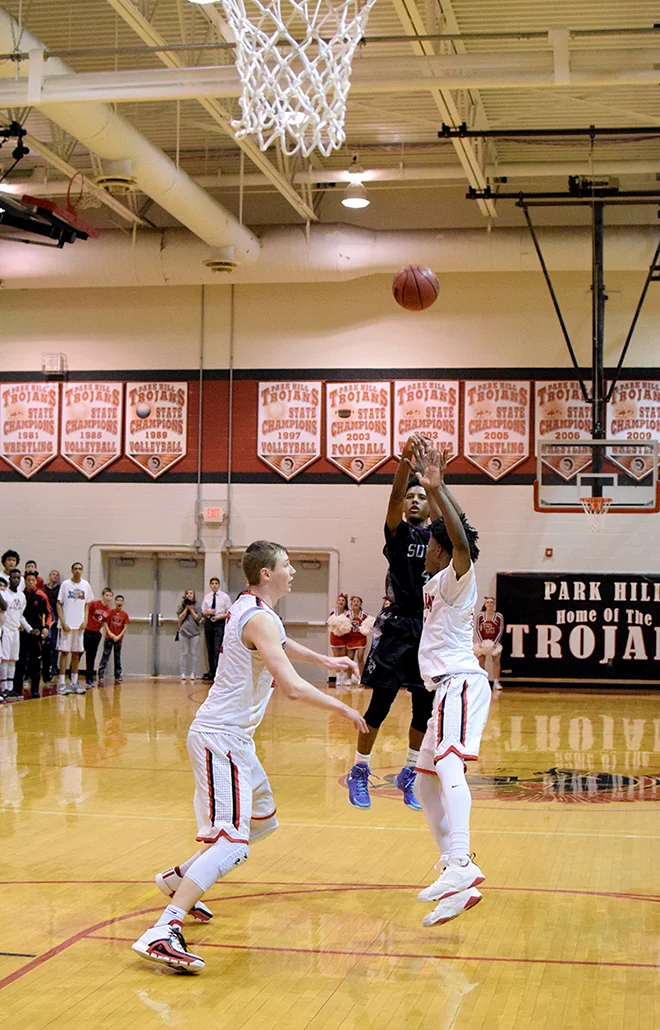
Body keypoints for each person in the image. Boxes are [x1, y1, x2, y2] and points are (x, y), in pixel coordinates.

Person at [131, 539, 367, 972]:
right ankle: (164, 928)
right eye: (286, 565)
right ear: (266, 574)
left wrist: (327, 661)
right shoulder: (257, 617)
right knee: (233, 845)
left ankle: (177, 879)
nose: (292, 571)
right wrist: (344, 708)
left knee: (262, 821)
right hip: (221, 738)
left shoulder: (252, 609)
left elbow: (281, 644)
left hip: (235, 739)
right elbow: (291, 687)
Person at [412, 443, 490, 928]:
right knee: (425, 783)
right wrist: (441, 493)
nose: (425, 549)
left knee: (449, 767)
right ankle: (457, 879)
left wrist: (438, 491)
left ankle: (461, 862)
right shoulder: (434, 582)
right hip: (443, 689)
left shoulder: (457, 576)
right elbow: (459, 530)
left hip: (460, 682)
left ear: (441, 550)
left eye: (430, 544)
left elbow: (461, 541)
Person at [345, 435, 433, 811]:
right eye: (410, 496)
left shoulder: (441, 537)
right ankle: (359, 769)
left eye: (420, 497)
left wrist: (435, 480)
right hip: (398, 624)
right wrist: (404, 464)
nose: (413, 501)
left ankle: (409, 772)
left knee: (424, 710)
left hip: (429, 628)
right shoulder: (400, 533)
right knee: (380, 704)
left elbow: (449, 515)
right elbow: (394, 499)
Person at [56, 562, 93, 696]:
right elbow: (59, 603)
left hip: (79, 625)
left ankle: (74, 683)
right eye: (75, 569)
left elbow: (87, 605)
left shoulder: (86, 585)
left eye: (80, 569)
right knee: (64, 653)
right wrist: (62, 621)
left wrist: (86, 620)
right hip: (67, 625)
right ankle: (61, 683)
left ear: (82, 571)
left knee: (76, 653)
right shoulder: (66, 585)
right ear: (72, 571)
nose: (77, 571)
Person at [16, 572, 52, 698]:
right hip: (22, 632)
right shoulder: (20, 595)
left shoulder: (41, 596)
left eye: (33, 580)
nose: (30, 582)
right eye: (28, 580)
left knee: (35, 662)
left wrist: (46, 628)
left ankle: (35, 688)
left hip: (36, 633)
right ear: (25, 582)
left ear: (36, 582)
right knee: (20, 661)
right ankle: (17, 689)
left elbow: (49, 614)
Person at [0, 569, 34, 701]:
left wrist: (29, 629)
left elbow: (20, 616)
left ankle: (10, 688)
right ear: (9, 579)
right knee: (5, 659)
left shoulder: (21, 596)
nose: (16, 580)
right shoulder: (4, 594)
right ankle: (4, 689)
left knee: (13, 659)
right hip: (5, 629)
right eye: (13, 577)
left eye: (18, 578)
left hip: (15, 631)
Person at [201, 577, 231, 681]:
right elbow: (203, 612)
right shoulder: (207, 597)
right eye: (212, 583)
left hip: (219, 623)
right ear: (210, 585)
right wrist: (209, 613)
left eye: (216, 583)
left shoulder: (224, 597)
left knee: (217, 648)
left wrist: (218, 617)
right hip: (209, 622)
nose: (214, 585)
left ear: (219, 585)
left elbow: (229, 612)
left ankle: (218, 672)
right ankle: (211, 671)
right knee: (210, 648)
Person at [84, 588, 113, 686]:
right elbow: (86, 610)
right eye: (107, 595)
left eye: (110, 596)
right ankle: (72, 675)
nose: (108, 597)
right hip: (87, 631)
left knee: (91, 656)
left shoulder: (109, 610)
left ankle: (89, 679)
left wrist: (107, 631)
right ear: (103, 595)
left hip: (96, 634)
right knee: (79, 653)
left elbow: (104, 622)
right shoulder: (94, 604)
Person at [98, 595, 129, 685]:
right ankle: (101, 675)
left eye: (121, 601)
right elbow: (105, 622)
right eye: (118, 600)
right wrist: (110, 633)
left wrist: (118, 636)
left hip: (118, 639)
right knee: (105, 656)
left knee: (117, 657)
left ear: (123, 603)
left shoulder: (125, 614)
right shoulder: (110, 612)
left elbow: (125, 627)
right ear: (115, 602)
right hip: (109, 638)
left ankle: (117, 675)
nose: (119, 602)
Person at [475, 596, 504, 691]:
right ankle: (482, 682)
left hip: (495, 642)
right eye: (488, 602)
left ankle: (496, 682)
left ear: (494, 604)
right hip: (482, 642)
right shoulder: (480, 616)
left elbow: (501, 630)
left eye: (491, 602)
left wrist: (495, 643)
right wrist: (481, 642)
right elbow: (477, 629)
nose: (489, 604)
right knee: (480, 661)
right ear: (485, 604)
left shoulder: (499, 616)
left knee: (496, 661)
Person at [344, 596, 373, 683]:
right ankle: (348, 678)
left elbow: (369, 625)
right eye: (354, 601)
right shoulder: (347, 614)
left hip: (361, 638)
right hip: (350, 638)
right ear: (351, 603)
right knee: (350, 659)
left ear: (360, 604)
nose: (356, 603)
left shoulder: (364, 614)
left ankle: (361, 678)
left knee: (360, 657)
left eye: (358, 601)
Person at [177, 589, 202, 681]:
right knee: (184, 653)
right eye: (187, 593)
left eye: (191, 593)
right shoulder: (182, 605)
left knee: (193, 653)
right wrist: (186, 609)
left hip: (195, 633)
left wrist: (191, 610)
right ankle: (182, 673)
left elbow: (198, 618)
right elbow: (180, 618)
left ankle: (193, 673)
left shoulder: (197, 605)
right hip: (183, 632)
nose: (189, 595)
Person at [327, 593, 351, 686]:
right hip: (334, 636)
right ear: (337, 602)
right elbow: (330, 624)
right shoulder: (333, 611)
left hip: (344, 636)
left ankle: (344, 675)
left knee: (343, 656)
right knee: (336, 657)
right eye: (339, 600)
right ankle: (338, 677)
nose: (341, 602)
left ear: (345, 603)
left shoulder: (348, 613)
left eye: (343, 600)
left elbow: (349, 625)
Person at [42, 570, 61, 684]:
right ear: (49, 576)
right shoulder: (43, 588)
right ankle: (43, 667)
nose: (55, 576)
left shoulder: (59, 589)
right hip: (44, 618)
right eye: (53, 574)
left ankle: (54, 667)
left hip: (55, 619)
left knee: (54, 644)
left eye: (57, 575)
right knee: (44, 644)